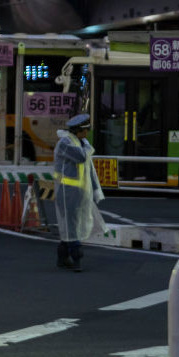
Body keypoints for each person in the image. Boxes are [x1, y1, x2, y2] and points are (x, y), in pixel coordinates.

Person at [52, 113, 106, 271]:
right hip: (66, 192)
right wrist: (88, 148)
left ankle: (62, 257)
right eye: (85, 130)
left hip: (81, 193)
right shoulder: (66, 143)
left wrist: (96, 190)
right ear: (78, 131)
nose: (87, 133)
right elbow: (82, 157)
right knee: (72, 226)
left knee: (71, 226)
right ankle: (76, 258)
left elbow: (90, 170)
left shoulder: (82, 143)